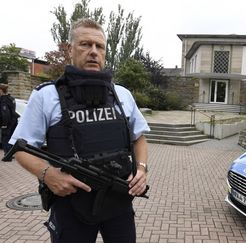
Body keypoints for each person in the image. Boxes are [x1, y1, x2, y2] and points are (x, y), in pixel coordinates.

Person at [9, 18, 150, 243]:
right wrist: (48, 175)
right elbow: (19, 148)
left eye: (99, 46)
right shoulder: (47, 95)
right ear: (71, 49)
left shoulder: (122, 94)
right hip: (70, 204)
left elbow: (139, 138)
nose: (93, 52)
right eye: (85, 44)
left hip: (118, 201)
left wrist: (141, 170)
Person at [0, 84, 18, 159]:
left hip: (7, 122)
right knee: (10, 138)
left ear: (1, 90)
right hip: (13, 121)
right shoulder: (11, 98)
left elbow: (5, 113)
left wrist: (4, 124)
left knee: (5, 138)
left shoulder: (3, 100)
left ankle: (7, 155)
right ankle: (10, 153)